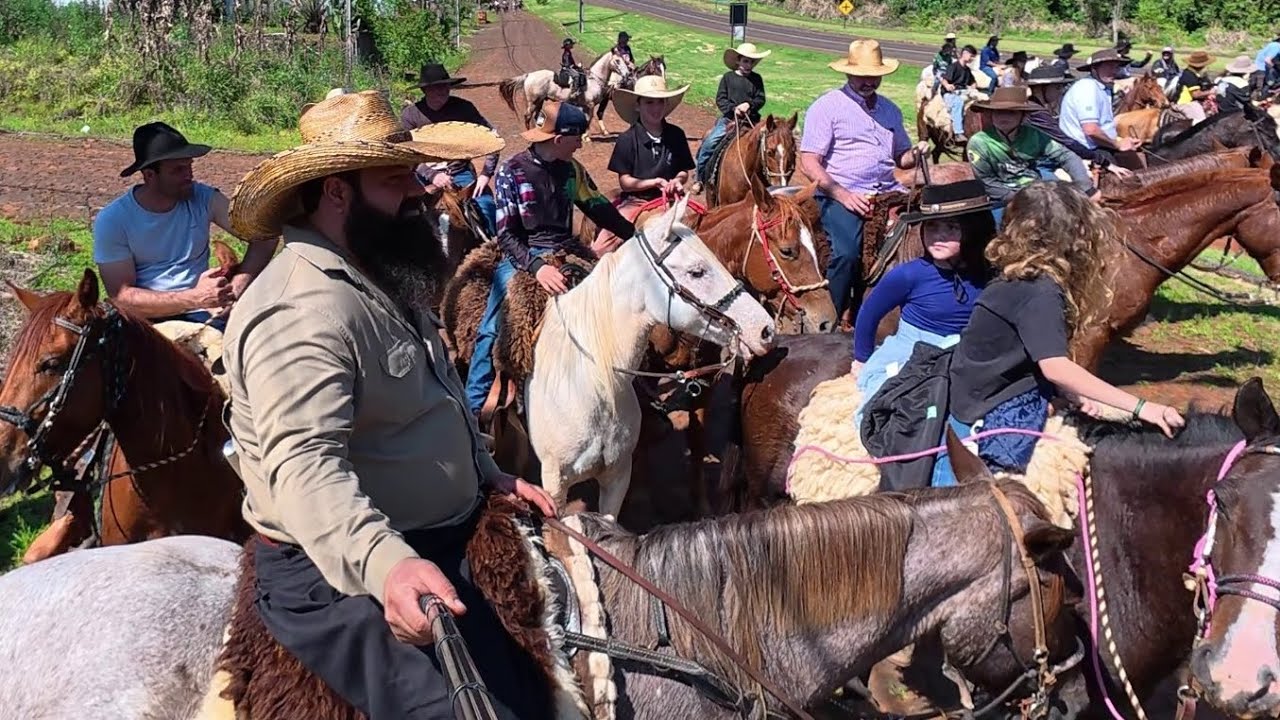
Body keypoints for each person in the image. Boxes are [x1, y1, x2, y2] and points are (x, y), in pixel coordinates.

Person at [220, 88, 558, 720]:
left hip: (438, 535)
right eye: (395, 178)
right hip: (340, 575)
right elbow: (305, 469)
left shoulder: (374, 267)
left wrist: (489, 473)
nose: (419, 192)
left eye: (413, 174)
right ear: (336, 191)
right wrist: (388, 567)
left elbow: (432, 395)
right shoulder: (301, 311)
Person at [932, 182, 1186, 486]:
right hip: (983, 406)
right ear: (1077, 237)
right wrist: (1142, 407)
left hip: (985, 388)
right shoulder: (1039, 290)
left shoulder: (1022, 278)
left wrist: (1069, 395)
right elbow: (1055, 366)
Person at [464, 101, 636, 415]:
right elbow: (506, 234)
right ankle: (472, 410)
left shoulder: (572, 171)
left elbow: (598, 208)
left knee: (616, 306)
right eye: (577, 137)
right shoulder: (512, 173)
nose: (582, 143)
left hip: (567, 248)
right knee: (491, 329)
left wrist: (635, 237)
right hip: (523, 255)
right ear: (559, 140)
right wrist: (537, 267)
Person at [93, 122, 276, 331]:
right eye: (177, 170)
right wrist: (195, 298)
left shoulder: (205, 198)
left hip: (204, 313)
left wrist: (236, 287)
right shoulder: (114, 219)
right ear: (149, 175)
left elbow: (265, 236)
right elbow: (122, 297)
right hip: (145, 323)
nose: (188, 176)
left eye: (189, 166)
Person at [799, 39, 930, 324]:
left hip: (888, 190)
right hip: (841, 193)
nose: (869, 81)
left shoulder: (890, 110)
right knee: (845, 255)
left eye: (875, 76)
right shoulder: (827, 107)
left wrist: (917, 153)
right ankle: (827, 318)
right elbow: (809, 161)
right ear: (848, 73)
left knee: (933, 231)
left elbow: (901, 158)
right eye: (863, 76)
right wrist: (841, 194)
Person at [850, 179, 996, 428]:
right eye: (932, 227)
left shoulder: (990, 276)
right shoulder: (909, 274)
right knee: (901, 416)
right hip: (912, 356)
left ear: (974, 230)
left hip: (967, 358)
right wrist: (862, 359)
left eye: (951, 228)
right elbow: (869, 313)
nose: (938, 237)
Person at [966, 86, 1100, 226]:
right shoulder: (979, 142)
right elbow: (987, 182)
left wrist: (1086, 187)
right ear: (991, 115)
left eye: (1011, 113)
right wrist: (1022, 198)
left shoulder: (1034, 134)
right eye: (998, 113)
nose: (1003, 117)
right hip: (1001, 198)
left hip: (1036, 188)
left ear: (1022, 116)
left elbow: (1065, 155)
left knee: (1071, 219)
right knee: (999, 229)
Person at [400, 63, 502, 236]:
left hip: (459, 172)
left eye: (446, 86)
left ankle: (495, 250)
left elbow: (492, 137)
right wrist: (433, 175)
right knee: (402, 216)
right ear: (425, 90)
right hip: (423, 175)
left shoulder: (464, 108)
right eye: (436, 87)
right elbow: (407, 154)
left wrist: (486, 173)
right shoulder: (410, 115)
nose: (443, 91)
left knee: (485, 207)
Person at [608, 75, 696, 214]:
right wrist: (654, 182)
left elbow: (683, 171)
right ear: (638, 105)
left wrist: (677, 180)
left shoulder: (676, 134)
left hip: (672, 199)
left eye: (660, 102)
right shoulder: (627, 139)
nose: (656, 108)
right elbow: (625, 182)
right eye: (649, 102)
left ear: (666, 104)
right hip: (637, 201)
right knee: (611, 234)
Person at [695, 42, 770, 181]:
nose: (748, 65)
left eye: (751, 62)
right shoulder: (728, 77)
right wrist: (733, 109)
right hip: (729, 120)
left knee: (768, 146)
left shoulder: (757, 79)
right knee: (709, 144)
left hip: (751, 120)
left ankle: (766, 180)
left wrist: (749, 104)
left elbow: (761, 98)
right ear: (738, 61)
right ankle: (699, 178)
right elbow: (720, 98)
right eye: (745, 61)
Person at [1058, 49, 1141, 168]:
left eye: (1116, 67)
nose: (1114, 71)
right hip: (1085, 150)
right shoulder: (1087, 88)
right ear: (1094, 68)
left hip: (1100, 145)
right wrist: (1117, 144)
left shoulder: (1101, 88)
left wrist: (1121, 141)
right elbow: (1091, 130)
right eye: (1109, 66)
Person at [940, 44, 978, 143]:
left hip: (963, 91)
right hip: (951, 93)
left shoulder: (967, 70)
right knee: (958, 102)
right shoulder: (953, 67)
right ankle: (958, 132)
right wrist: (948, 86)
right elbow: (944, 80)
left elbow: (972, 82)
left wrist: (973, 87)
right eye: (971, 56)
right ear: (964, 54)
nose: (972, 59)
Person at [1175, 50, 1215, 124]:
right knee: (1201, 121)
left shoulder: (1200, 75)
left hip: (1196, 101)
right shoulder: (1189, 75)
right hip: (1187, 103)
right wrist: (1212, 92)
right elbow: (1195, 94)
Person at [1253, 30, 1280, 95]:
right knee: (1266, 86)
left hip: (1258, 66)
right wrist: (1274, 68)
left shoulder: (1273, 44)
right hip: (1262, 68)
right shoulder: (1277, 46)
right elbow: (1267, 60)